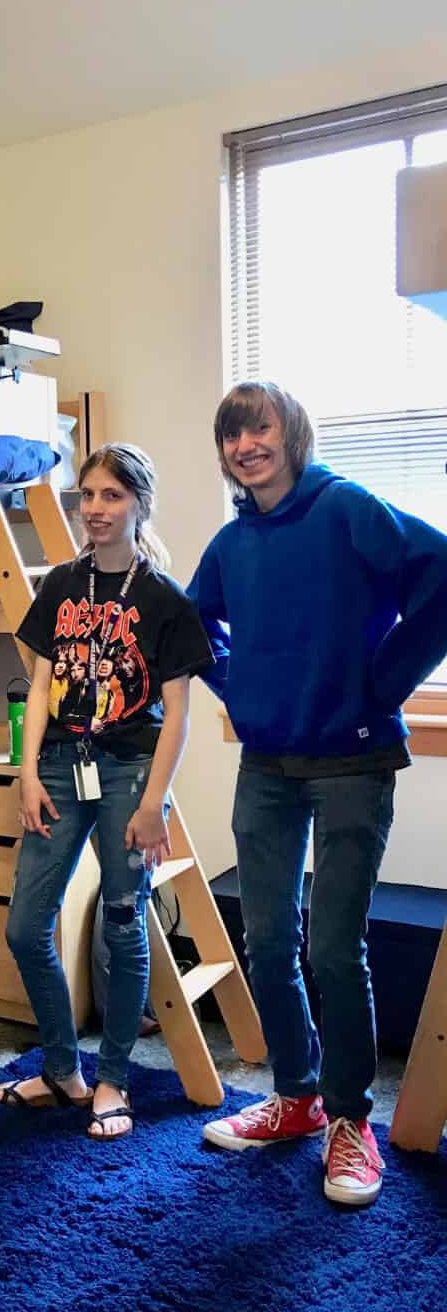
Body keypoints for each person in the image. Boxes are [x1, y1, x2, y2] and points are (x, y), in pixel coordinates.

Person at [189, 381, 447, 1205]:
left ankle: (349, 1121)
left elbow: (440, 571)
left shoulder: (346, 508)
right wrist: (241, 691)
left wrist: (386, 681)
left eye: (258, 428)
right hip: (266, 765)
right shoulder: (234, 543)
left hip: (353, 763)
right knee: (266, 942)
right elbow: (192, 627)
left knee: (333, 949)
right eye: (232, 435)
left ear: (290, 434)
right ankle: (295, 1099)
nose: (244, 445)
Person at [0, 444, 213, 1138]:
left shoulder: (164, 599)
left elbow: (177, 712)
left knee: (123, 923)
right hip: (59, 764)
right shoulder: (59, 584)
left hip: (130, 773)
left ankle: (113, 1078)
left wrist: (154, 805)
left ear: (139, 504)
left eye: (112, 496)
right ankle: (62, 1070)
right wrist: (26, 775)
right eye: (87, 495)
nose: (95, 509)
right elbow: (39, 684)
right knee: (26, 926)